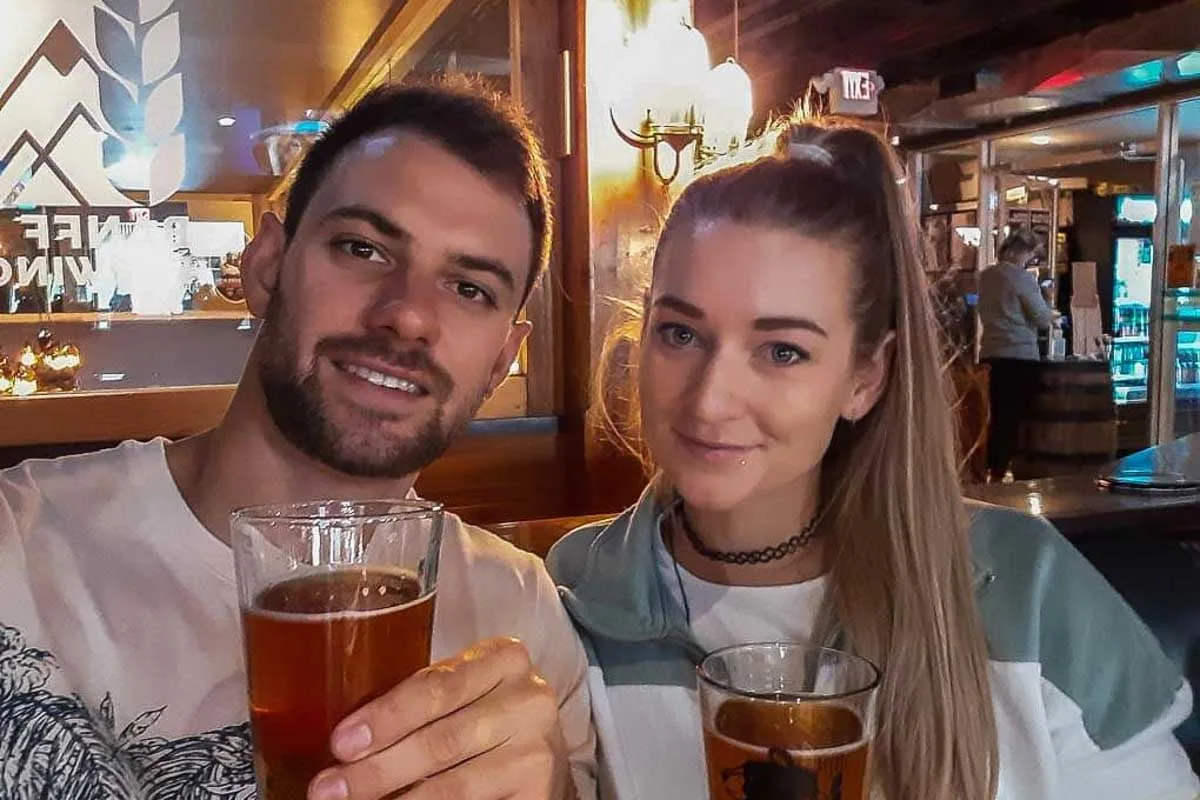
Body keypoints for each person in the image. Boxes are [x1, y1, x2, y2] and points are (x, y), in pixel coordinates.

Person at [546, 118, 1198, 799]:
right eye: (680, 334)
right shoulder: (576, 596)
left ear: (866, 378)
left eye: (782, 351)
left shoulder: (1023, 586)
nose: (710, 401)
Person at [0, 79, 594, 800]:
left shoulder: (522, 612)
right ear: (266, 266)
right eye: (364, 248)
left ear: (502, 358)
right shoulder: (18, 545)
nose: (408, 315)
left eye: (470, 289)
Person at [977, 226, 1055, 481]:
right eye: (1032, 254)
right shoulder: (1022, 279)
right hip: (1019, 354)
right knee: (1015, 415)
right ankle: (1002, 468)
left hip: (990, 351)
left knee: (995, 413)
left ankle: (989, 467)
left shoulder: (985, 276)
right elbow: (1042, 319)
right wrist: (1048, 298)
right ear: (1024, 252)